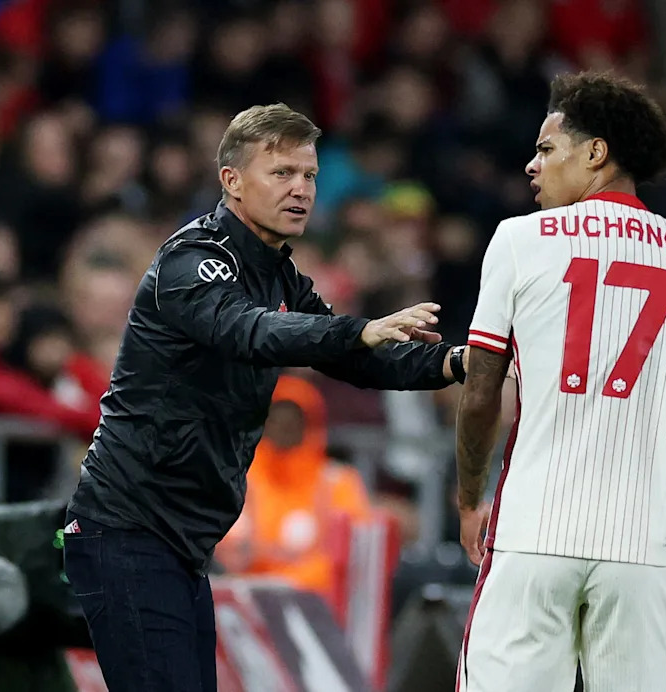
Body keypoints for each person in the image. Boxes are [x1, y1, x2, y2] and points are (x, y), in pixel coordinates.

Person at [62, 103, 470, 692]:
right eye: (281, 173)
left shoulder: (278, 273)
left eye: (308, 175)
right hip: (126, 529)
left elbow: (349, 358)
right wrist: (355, 328)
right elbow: (250, 331)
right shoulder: (192, 260)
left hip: (179, 540)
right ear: (231, 180)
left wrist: (453, 363)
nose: (301, 189)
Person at [454, 71, 666, 691]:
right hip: (645, 545)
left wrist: (467, 500)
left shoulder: (518, 240)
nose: (531, 166)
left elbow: (482, 390)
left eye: (545, 149)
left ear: (595, 153)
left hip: (533, 529)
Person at [214, 374, 373, 600]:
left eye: (293, 421)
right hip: (246, 599)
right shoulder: (242, 477)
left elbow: (349, 555)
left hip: (313, 601)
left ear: (310, 424)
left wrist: (289, 581)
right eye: (275, 419)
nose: (283, 429)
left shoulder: (337, 481)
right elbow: (226, 547)